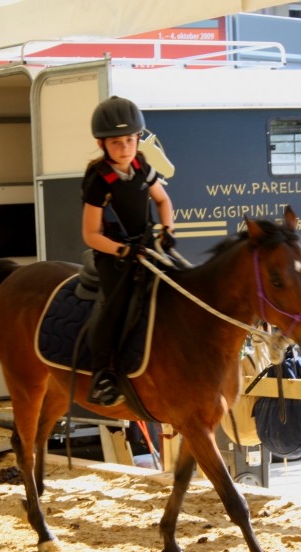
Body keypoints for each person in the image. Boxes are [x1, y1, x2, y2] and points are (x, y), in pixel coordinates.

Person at [81, 96, 175, 407]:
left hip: (147, 247)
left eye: (130, 140)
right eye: (116, 142)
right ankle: (102, 375)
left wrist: (167, 231)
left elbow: (162, 201)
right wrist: (123, 250)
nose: (125, 148)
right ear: (101, 144)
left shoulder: (141, 166)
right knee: (116, 306)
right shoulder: (99, 180)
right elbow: (90, 235)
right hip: (114, 257)